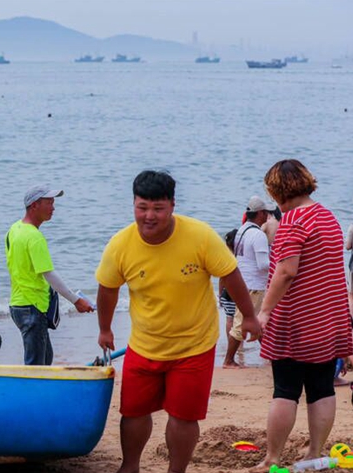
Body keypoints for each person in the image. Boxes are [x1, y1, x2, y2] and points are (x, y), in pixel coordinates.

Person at [95, 170, 260, 473]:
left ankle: (177, 470)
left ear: (172, 205)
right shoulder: (120, 245)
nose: (149, 216)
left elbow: (230, 274)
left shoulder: (199, 236)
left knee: (183, 417)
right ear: (133, 204)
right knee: (133, 412)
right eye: (142, 207)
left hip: (193, 346)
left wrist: (249, 316)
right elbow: (107, 289)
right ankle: (129, 466)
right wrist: (104, 328)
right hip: (144, 344)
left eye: (158, 208)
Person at [253, 159, 353, 470]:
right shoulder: (326, 216)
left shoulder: (293, 221)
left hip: (296, 320)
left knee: (285, 390)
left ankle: (272, 459)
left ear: (276, 191)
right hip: (328, 316)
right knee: (321, 387)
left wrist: (264, 313)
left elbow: (286, 271)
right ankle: (314, 453)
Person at [6, 185, 94, 366]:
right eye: (49, 203)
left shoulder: (14, 229)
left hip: (18, 305)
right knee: (37, 366)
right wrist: (76, 300)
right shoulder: (34, 237)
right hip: (32, 306)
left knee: (45, 359)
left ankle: (39, 392)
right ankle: (32, 394)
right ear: (34, 205)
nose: (53, 208)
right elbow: (49, 274)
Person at [223, 196, 273, 368]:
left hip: (242, 282)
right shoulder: (258, 235)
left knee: (258, 322)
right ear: (260, 214)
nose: (268, 216)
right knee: (242, 323)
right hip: (254, 285)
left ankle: (273, 358)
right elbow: (263, 265)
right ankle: (228, 360)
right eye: (266, 213)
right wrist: (279, 264)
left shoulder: (242, 231)